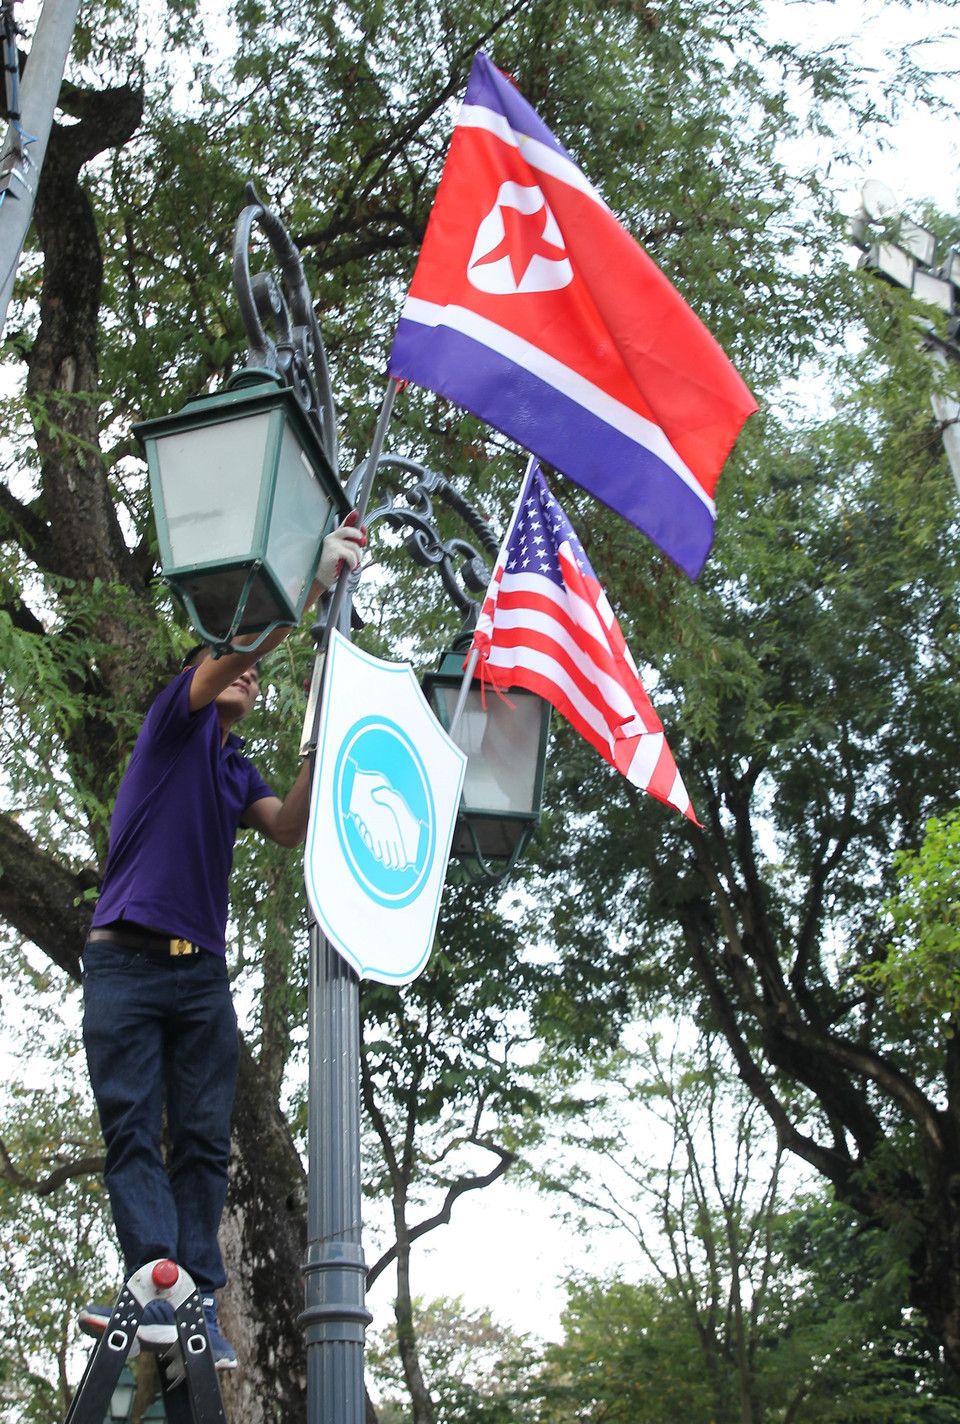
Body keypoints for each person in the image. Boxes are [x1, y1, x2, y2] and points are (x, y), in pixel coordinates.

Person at [77, 517, 364, 1370]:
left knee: (203, 1140)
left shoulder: (235, 767)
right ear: (206, 674)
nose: (250, 682)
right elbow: (237, 655)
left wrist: (327, 725)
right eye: (239, 672)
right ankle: (153, 1286)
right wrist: (310, 586)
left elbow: (289, 826)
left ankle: (192, 1297)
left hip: (199, 975)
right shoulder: (174, 718)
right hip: (125, 962)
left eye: (257, 680)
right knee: (134, 1127)